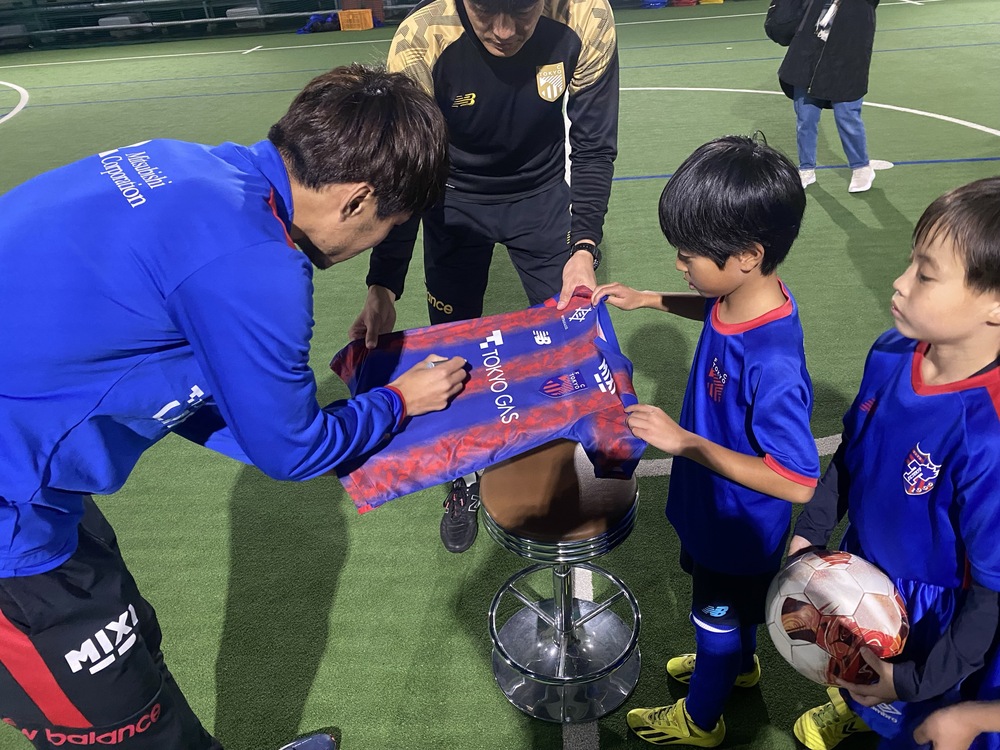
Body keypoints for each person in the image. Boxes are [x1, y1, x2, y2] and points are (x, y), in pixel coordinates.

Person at [0, 64, 467, 750]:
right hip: (13, 517)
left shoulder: (181, 162)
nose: (375, 242)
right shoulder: (256, 263)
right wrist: (399, 401)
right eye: (388, 226)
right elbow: (292, 451)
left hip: (33, 466)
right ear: (358, 199)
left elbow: (171, 364)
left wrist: (271, 422)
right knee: (122, 723)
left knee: (134, 643)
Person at [347, 0, 620, 553]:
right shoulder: (422, 39)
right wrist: (384, 284)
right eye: (484, 9)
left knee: (573, 339)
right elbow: (405, 167)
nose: (503, 30)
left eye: (521, 10)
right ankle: (461, 478)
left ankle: (568, 461)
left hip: (542, 198)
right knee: (449, 356)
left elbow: (593, 146)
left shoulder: (587, 18)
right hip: (450, 201)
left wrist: (583, 247)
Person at [591, 134, 819, 747]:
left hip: (735, 525)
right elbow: (715, 311)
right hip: (711, 506)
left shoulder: (772, 360)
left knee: (714, 614)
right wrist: (650, 299)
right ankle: (738, 665)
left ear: (747, 255)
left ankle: (700, 720)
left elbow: (798, 479)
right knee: (728, 611)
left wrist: (683, 441)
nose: (680, 264)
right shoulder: (744, 296)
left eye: (688, 255)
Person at [787, 176, 1000, 750]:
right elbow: (853, 451)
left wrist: (910, 681)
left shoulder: (988, 434)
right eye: (910, 263)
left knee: (918, 728)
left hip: (937, 619)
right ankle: (862, 706)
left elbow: (989, 596)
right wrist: (811, 530)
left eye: (925, 274)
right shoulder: (890, 350)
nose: (900, 282)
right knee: (861, 681)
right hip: (863, 570)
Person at [778, 0, 879, 193]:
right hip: (808, 58)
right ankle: (806, 168)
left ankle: (861, 167)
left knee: (847, 115)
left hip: (846, 61)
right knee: (805, 118)